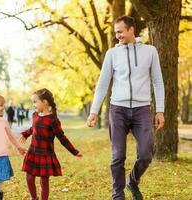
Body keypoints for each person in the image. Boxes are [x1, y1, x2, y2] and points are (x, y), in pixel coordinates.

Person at [87, 15, 165, 200]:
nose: (117, 36)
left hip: (142, 109)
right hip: (118, 109)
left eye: (120, 31)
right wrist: (94, 111)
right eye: (115, 32)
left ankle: (132, 181)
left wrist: (160, 110)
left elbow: (158, 81)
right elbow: (103, 83)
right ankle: (118, 194)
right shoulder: (112, 54)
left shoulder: (150, 51)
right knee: (118, 156)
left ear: (131, 29)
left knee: (146, 153)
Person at [19, 88, 82, 200]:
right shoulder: (35, 115)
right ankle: (33, 198)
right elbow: (33, 128)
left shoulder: (53, 120)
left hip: (45, 154)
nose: (33, 104)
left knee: (44, 181)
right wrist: (25, 134)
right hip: (33, 152)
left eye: (35, 101)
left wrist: (74, 151)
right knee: (29, 177)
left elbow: (62, 138)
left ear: (45, 102)